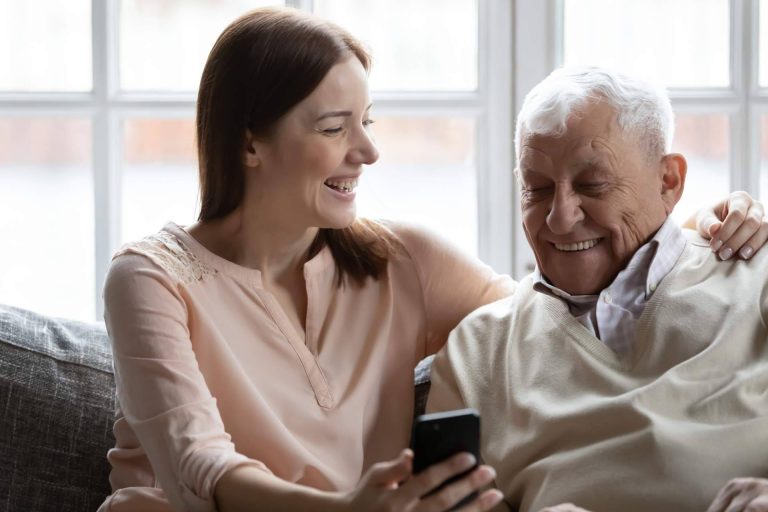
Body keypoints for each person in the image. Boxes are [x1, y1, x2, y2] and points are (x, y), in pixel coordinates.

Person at [99, 9, 766, 512]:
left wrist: (703, 231)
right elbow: (198, 466)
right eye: (335, 127)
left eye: (369, 121)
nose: (366, 150)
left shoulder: (400, 262)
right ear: (250, 144)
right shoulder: (151, 278)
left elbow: (572, 303)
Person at [427, 66, 768, 512]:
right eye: (538, 188)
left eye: (592, 185)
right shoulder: (477, 351)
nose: (559, 218)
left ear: (669, 181)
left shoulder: (754, 274)